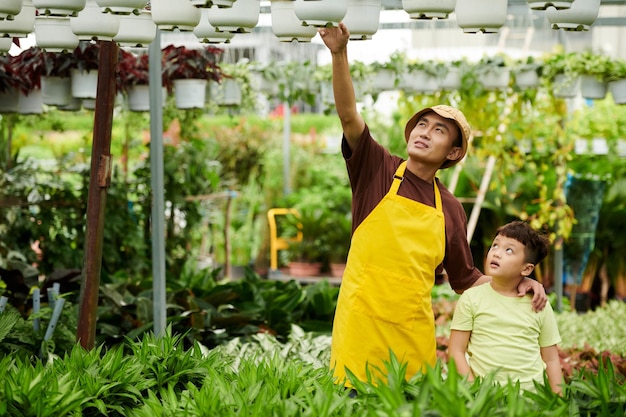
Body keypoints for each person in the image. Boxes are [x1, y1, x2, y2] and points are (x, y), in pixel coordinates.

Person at [317, 23, 548, 387]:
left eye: (439, 130)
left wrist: (521, 282)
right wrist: (339, 53)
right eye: (422, 124)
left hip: (412, 335)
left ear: (453, 153)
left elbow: (465, 278)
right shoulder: (376, 169)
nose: (425, 132)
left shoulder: (451, 208)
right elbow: (348, 116)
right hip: (359, 324)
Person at [448, 220, 563, 395]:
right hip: (484, 398)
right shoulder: (471, 298)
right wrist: (475, 393)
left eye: (509, 250)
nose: (497, 253)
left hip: (530, 400)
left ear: (527, 269)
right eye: (495, 246)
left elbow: (552, 359)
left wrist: (558, 400)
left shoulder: (538, 303)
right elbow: (456, 351)